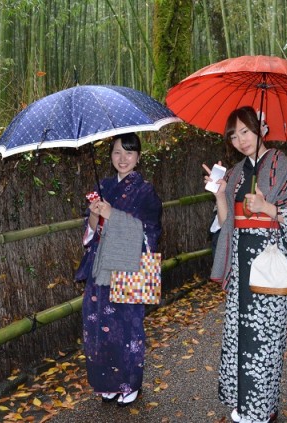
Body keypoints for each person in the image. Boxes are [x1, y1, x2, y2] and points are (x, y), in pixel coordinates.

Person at [203, 106, 287, 423]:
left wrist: (268, 207)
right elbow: (228, 223)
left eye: (245, 131)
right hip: (241, 264)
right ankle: (244, 402)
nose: (241, 140)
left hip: (269, 263)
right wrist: (221, 195)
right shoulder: (236, 173)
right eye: (233, 136)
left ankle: (262, 410)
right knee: (240, 334)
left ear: (261, 129)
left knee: (265, 338)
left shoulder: (286, 168)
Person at [75, 133, 162, 406]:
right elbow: (90, 232)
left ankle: (129, 383)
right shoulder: (103, 186)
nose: (122, 159)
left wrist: (113, 215)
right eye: (116, 152)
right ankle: (107, 383)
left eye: (129, 152)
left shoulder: (145, 192)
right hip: (100, 266)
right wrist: (94, 214)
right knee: (98, 325)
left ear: (138, 157)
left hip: (128, 268)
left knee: (127, 327)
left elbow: (150, 231)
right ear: (110, 156)